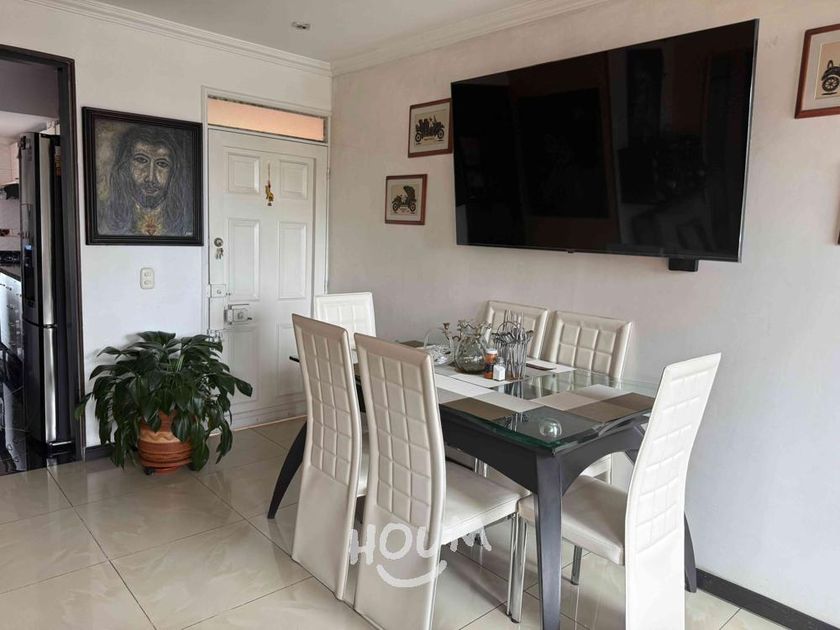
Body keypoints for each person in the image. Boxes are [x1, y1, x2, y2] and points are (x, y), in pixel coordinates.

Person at [100, 125, 192, 236]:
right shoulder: (103, 215)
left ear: (174, 171)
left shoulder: (188, 219)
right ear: (125, 165)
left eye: (162, 164)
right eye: (141, 160)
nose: (150, 177)